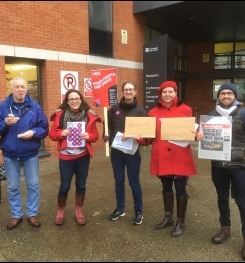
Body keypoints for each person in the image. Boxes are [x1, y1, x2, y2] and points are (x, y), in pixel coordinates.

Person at [206, 83, 245, 262]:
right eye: (223, 93)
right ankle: (225, 228)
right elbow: (205, 138)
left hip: (239, 165)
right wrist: (200, 136)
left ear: (235, 96)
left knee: (243, 202)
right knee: (222, 198)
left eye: (229, 93)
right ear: (218, 96)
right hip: (218, 165)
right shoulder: (211, 115)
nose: (226, 96)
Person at [0, 76, 49, 230]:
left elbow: (44, 128)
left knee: (34, 185)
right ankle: (16, 215)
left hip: (30, 153)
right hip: (10, 154)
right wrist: (5, 123)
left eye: (23, 86)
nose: (20, 89)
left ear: (26, 89)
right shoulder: (3, 107)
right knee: (12, 187)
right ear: (11, 89)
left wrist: (34, 132)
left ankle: (32, 213)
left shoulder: (34, 107)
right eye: (17, 87)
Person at [147, 80, 204, 237]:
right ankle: (168, 218)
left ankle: (180, 221)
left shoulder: (186, 110)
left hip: (180, 156)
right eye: (164, 92)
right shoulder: (152, 112)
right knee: (166, 187)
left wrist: (197, 135)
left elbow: (190, 131)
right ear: (160, 94)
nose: (167, 94)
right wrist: (139, 137)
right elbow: (149, 137)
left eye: (170, 91)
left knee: (180, 188)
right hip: (162, 155)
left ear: (175, 93)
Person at [49, 89, 101, 226]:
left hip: (83, 156)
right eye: (71, 99)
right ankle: (60, 211)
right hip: (66, 157)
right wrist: (61, 133)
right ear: (67, 101)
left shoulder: (89, 115)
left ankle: (79, 210)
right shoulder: (60, 115)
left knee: (81, 184)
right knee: (65, 185)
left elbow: (95, 135)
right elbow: (52, 134)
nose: (74, 101)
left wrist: (88, 136)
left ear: (81, 100)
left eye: (77, 98)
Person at [103, 81, 147, 225]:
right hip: (116, 151)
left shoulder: (141, 111)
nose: (128, 92)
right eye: (126, 90)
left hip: (132, 152)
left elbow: (146, 133)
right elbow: (108, 126)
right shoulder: (114, 109)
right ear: (123, 92)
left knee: (134, 182)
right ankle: (120, 208)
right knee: (119, 181)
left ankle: (138, 211)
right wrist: (106, 134)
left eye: (131, 90)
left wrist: (140, 137)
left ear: (135, 92)